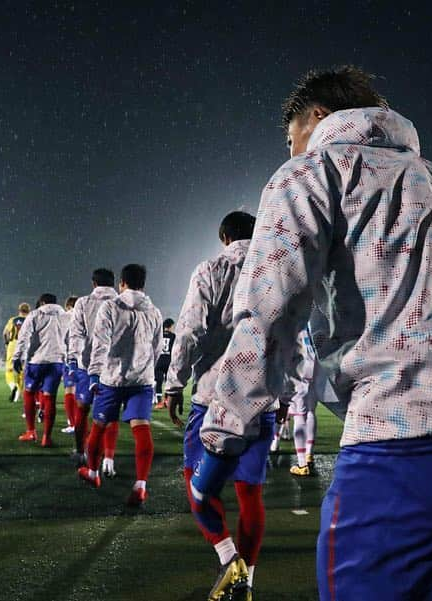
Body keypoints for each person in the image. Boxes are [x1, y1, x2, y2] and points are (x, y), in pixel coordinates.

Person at [191, 66, 432, 601]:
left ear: (317, 118)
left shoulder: (311, 172)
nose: (291, 152)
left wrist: (218, 446)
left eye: (292, 140)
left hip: (409, 446)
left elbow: (270, 315)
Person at [164, 211, 273, 600]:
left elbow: (190, 329)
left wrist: (173, 383)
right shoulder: (272, 270)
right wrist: (288, 393)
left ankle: (230, 562)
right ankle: (249, 583)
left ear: (223, 236)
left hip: (213, 396)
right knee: (251, 493)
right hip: (262, 397)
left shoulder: (211, 269)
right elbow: (291, 333)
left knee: (197, 487)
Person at [78, 264, 162, 507]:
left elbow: (100, 342)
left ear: (121, 283)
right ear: (143, 285)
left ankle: (93, 474)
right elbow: (156, 348)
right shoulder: (154, 311)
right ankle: (141, 484)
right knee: (142, 428)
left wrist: (94, 373)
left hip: (112, 378)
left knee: (99, 426)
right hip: (142, 379)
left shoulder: (111, 306)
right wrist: (148, 370)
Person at [67, 269, 119, 470]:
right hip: (113, 367)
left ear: (94, 283)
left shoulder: (83, 303)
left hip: (87, 365)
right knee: (110, 414)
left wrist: (72, 358)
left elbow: (76, 334)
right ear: (114, 283)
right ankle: (108, 459)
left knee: (83, 408)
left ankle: (81, 453)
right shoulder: (121, 302)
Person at [12, 294, 67, 447]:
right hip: (56, 361)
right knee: (50, 398)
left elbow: (23, 337)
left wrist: (17, 357)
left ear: (42, 302)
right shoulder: (65, 316)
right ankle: (46, 438)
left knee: (29, 393)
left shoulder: (35, 314)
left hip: (37, 360)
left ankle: (31, 432)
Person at [288, 328, 319, 477]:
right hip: (315, 364)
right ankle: (309, 454)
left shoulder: (293, 319)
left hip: (299, 366)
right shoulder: (312, 319)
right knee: (311, 411)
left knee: (299, 417)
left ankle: (302, 464)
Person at [2, 303, 30, 402]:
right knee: (21, 371)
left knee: (9, 370)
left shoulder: (12, 320)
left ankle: (13, 386)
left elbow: (5, 332)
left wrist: (7, 343)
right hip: (25, 346)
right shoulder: (30, 320)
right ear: (28, 311)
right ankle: (19, 394)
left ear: (19, 310)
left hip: (13, 344)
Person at [60, 295, 79, 435]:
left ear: (68, 306)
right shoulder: (85, 313)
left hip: (70, 357)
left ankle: (73, 423)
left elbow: (60, 338)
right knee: (81, 393)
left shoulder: (65, 316)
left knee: (69, 390)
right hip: (86, 359)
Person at [153, 318, 176, 409]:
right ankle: (166, 400)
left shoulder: (158, 335)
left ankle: (159, 402)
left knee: (158, 382)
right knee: (168, 382)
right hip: (168, 361)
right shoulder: (173, 336)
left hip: (159, 361)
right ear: (170, 326)